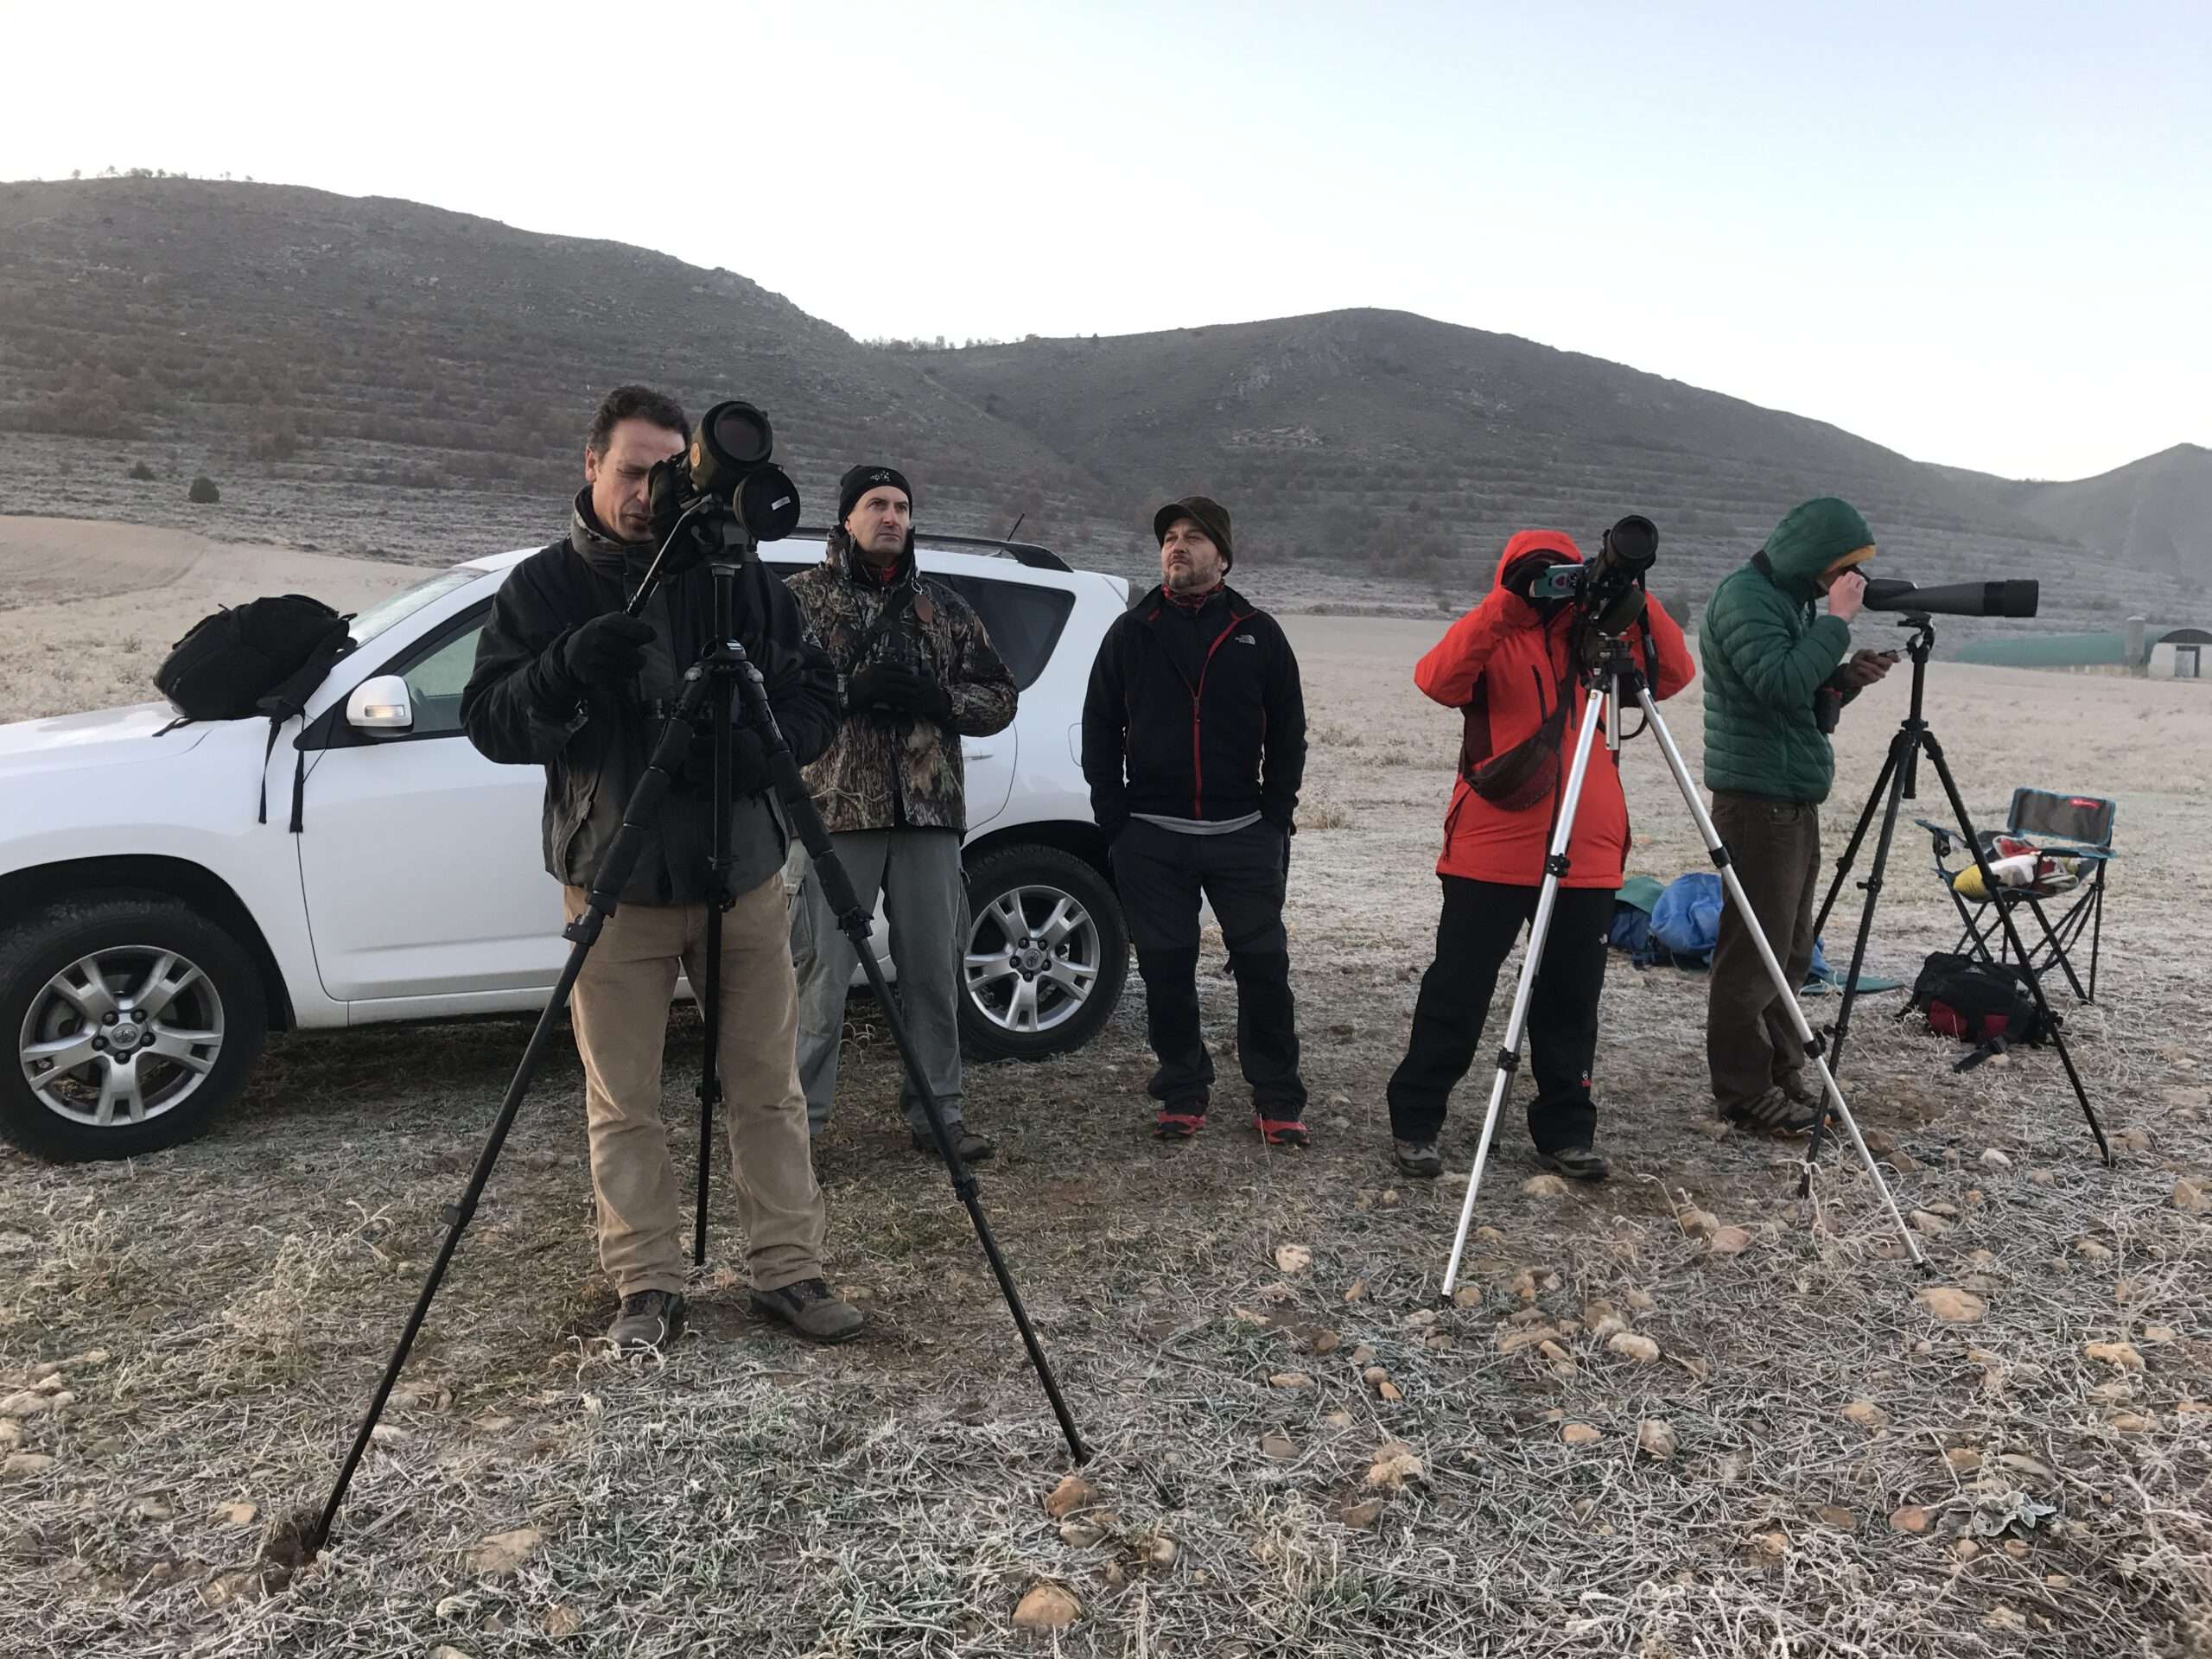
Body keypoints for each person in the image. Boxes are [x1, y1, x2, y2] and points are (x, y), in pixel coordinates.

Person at [460, 385, 864, 1351]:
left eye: (665, 472)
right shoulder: (543, 588)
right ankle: (645, 1281)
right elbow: (489, 721)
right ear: (590, 464)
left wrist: (776, 746)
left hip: (746, 871)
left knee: (767, 1083)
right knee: (623, 1095)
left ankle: (789, 1269)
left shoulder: (740, 580)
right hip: (617, 875)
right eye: (631, 470)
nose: (648, 492)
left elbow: (815, 694)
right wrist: (563, 669)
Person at [1385, 531, 1694, 1180]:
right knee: (1457, 993)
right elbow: (1436, 680)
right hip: (1492, 850)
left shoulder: (1599, 642)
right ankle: (1417, 1119)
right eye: (1542, 574)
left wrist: (1630, 593)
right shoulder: (1496, 633)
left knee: (1571, 1000)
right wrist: (1508, 601)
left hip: (1586, 852)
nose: (1557, 586)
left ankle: (1565, 1131)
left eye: (1566, 574)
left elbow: (1674, 675)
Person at [785, 465, 1017, 1162]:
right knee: (817, 980)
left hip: (928, 817)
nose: (891, 516)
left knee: (932, 975)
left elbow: (1000, 697)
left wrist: (943, 703)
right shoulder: (798, 602)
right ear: (847, 518)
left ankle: (938, 1115)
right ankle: (796, 1131)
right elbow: (770, 695)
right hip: (832, 815)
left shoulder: (944, 608)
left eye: (902, 506)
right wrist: (847, 692)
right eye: (876, 505)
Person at [1080, 496, 1311, 1147]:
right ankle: (1182, 1087)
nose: (1177, 547)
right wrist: (1114, 816)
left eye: (1193, 538)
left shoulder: (1258, 632)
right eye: (1169, 538)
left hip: (1243, 835)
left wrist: (1276, 813)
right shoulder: (1132, 631)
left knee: (1264, 965)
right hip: (1151, 836)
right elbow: (1100, 726)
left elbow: (1289, 730)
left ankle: (1277, 1096)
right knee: (1167, 968)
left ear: (1223, 556)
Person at [1700, 496, 1895, 1134]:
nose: (1840, 585)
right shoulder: (1745, 599)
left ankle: (1781, 1074)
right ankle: (1744, 1091)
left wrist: (1843, 680)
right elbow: (1778, 683)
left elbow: (1794, 697)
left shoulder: (1788, 602)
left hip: (1787, 794)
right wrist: (1836, 623)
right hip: (1758, 802)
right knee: (1753, 955)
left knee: (1790, 950)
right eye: (1839, 571)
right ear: (1816, 558)